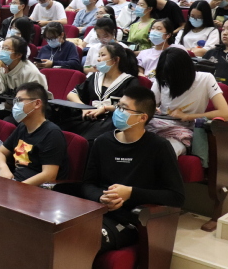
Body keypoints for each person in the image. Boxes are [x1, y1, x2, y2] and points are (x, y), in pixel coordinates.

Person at [77, 86, 185, 253]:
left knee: (82, 241)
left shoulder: (159, 147)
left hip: (131, 220)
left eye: (124, 108)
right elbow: (87, 184)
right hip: (97, 211)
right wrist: (101, 197)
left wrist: (131, 193)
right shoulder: (102, 142)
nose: (117, 111)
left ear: (142, 117)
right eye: (118, 106)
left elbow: (176, 196)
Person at [147, 48, 228, 156]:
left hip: (182, 131)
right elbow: (148, 105)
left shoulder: (206, 79)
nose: (169, 81)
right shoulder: (162, 78)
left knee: (164, 153)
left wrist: (188, 116)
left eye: (172, 78)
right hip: (157, 125)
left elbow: (225, 114)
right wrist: (151, 109)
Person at [0, 82, 69, 185]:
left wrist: (18, 187)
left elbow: (49, 175)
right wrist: (3, 169)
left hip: (34, 189)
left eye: (19, 100)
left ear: (37, 103)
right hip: (16, 184)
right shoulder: (22, 127)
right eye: (15, 101)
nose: (15, 105)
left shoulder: (52, 133)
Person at [65, 43, 140, 142]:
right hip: (90, 117)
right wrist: (84, 107)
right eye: (98, 55)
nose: (98, 59)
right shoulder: (95, 77)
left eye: (103, 55)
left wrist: (105, 109)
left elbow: (132, 106)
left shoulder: (129, 81)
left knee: (90, 139)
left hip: (112, 120)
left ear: (116, 60)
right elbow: (72, 94)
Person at [0, 36, 49, 120]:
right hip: (9, 108)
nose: (2, 51)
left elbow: (37, 101)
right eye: (2, 48)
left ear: (18, 55)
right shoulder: (1, 67)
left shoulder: (31, 72)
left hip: (29, 111)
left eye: (6, 49)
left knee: (7, 121)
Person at [137, 18, 184, 83]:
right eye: (152, 28)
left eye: (159, 29)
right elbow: (139, 69)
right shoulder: (144, 53)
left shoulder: (178, 49)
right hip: (148, 83)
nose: (154, 31)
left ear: (168, 35)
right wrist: (141, 76)